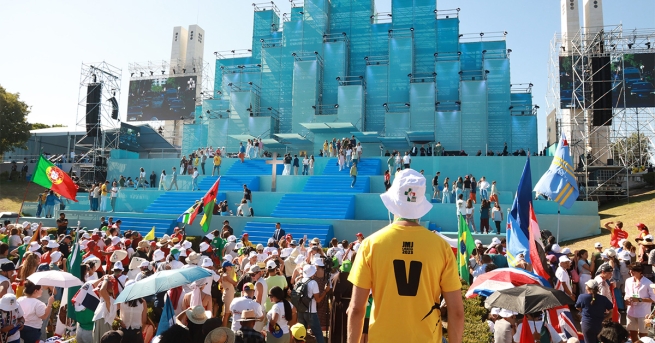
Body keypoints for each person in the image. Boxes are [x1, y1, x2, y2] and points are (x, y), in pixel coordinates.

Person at [347, 169, 464, 343]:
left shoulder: (370, 244)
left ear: (393, 202)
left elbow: (357, 309)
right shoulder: (441, 247)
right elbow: (456, 312)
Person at [624, 264, 655, 342]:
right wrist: (626, 300)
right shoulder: (628, 281)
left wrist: (639, 300)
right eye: (630, 270)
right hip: (631, 312)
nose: (631, 272)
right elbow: (626, 294)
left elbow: (653, 298)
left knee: (643, 336)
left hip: (643, 313)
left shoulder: (648, 283)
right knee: (632, 334)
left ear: (640, 271)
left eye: (633, 270)